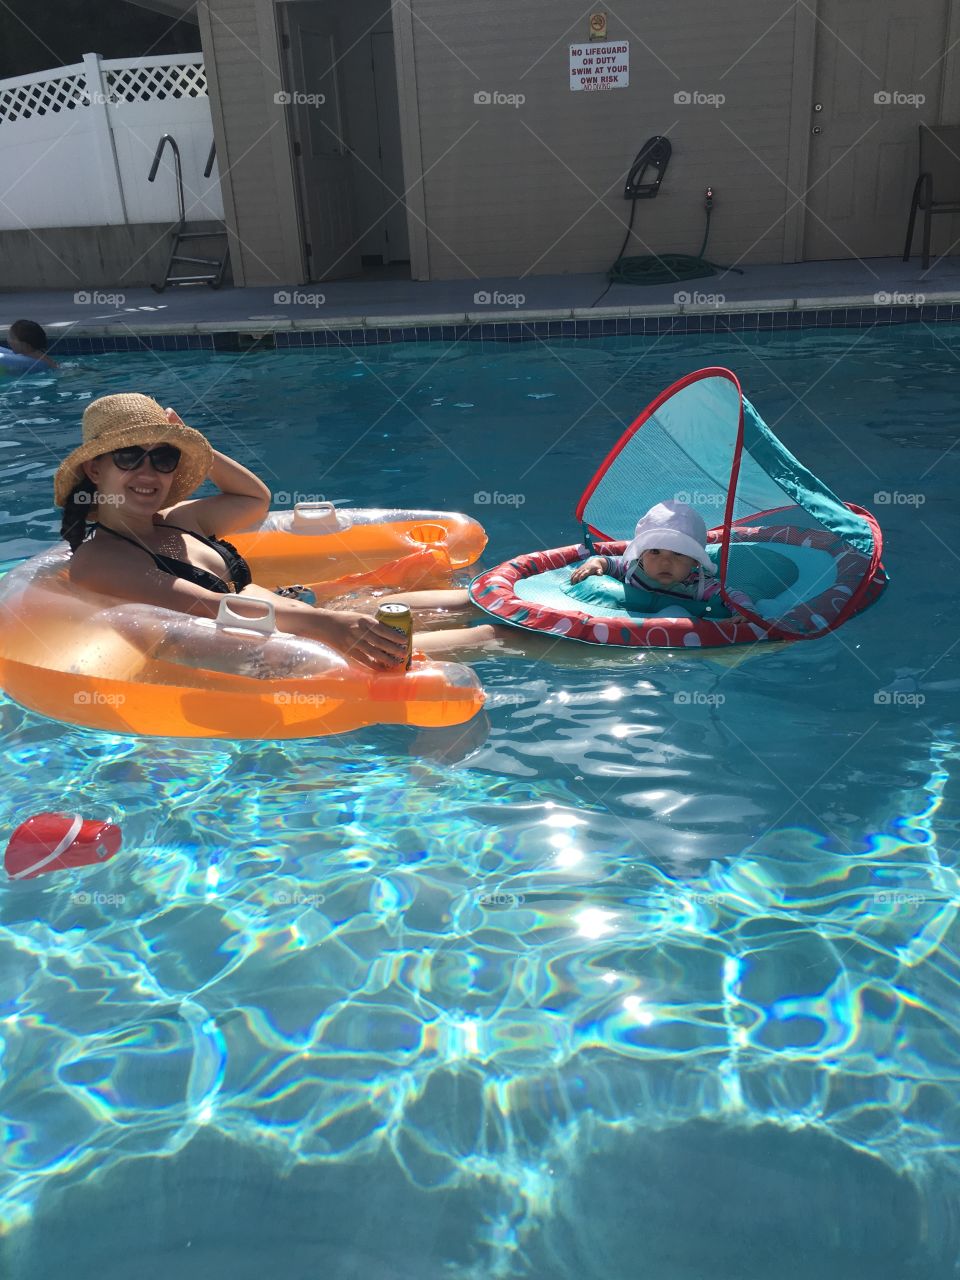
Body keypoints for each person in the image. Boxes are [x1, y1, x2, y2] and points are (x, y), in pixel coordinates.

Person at [55, 393, 411, 671]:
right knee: (451, 640)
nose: (148, 472)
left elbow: (254, 499)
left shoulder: (178, 520)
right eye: (129, 457)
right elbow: (208, 606)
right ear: (95, 469)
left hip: (298, 617)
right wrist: (329, 624)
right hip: (278, 653)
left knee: (445, 601)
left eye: (164, 458)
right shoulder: (100, 559)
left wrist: (195, 444)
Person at [570, 499, 756, 620]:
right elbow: (609, 563)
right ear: (641, 553)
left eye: (678, 554)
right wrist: (596, 563)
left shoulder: (698, 585)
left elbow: (731, 595)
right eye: (655, 552)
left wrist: (743, 612)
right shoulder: (634, 568)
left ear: (695, 562)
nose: (665, 562)